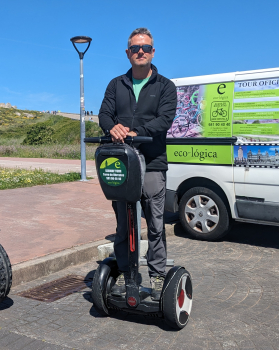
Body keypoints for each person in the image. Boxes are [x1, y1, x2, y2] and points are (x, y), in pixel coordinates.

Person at [98, 27, 177, 301]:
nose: (140, 51)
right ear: (128, 53)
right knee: (123, 225)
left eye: (145, 47)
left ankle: (156, 276)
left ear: (152, 52)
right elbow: (104, 115)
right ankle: (126, 274)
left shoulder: (165, 86)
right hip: (121, 165)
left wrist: (135, 132)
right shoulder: (115, 84)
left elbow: (163, 120)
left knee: (155, 225)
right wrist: (114, 128)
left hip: (152, 163)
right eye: (135, 48)